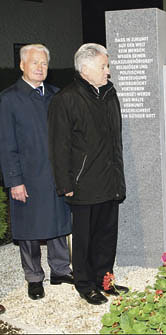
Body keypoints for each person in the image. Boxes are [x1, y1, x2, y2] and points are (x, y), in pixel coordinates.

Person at [48, 43, 127, 305]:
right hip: (83, 183)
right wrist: (65, 183)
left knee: (107, 235)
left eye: (107, 65)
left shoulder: (108, 94)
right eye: (103, 66)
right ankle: (85, 284)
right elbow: (59, 145)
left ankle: (105, 279)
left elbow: (115, 140)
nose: (108, 71)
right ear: (85, 69)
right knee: (84, 238)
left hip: (109, 179)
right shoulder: (66, 99)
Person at [0, 44, 73, 301]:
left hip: (54, 174)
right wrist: (14, 181)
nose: (40, 67)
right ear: (22, 65)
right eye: (34, 63)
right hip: (27, 177)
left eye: (44, 63)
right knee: (29, 228)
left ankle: (61, 270)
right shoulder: (9, 99)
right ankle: (33, 278)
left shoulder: (56, 95)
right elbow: (6, 145)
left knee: (58, 223)